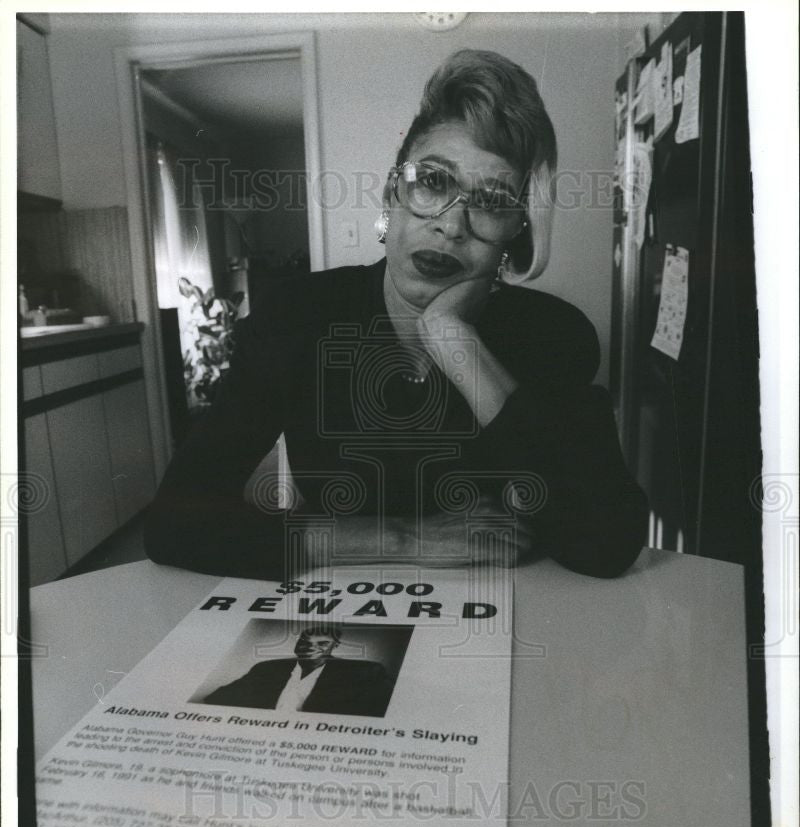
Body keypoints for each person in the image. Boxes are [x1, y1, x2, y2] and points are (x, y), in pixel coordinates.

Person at [145, 49, 648, 580]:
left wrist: (454, 339)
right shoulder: (297, 318)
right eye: (433, 182)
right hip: (344, 611)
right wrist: (400, 537)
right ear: (393, 195)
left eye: (493, 202)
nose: (452, 225)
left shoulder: (552, 335)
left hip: (515, 620)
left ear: (516, 231)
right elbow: (174, 521)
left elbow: (607, 542)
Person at [202, 625, 392, 717]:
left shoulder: (364, 672)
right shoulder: (267, 668)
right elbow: (218, 698)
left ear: (335, 646)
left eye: (322, 643)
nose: (309, 647)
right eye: (304, 641)